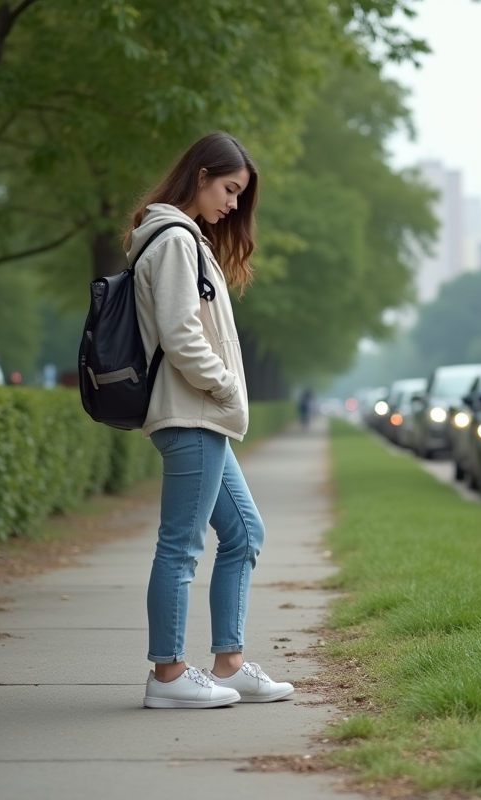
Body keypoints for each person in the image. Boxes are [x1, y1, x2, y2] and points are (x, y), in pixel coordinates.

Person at [126, 132, 294, 708]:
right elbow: (180, 334)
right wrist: (224, 385)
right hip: (191, 414)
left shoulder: (184, 238)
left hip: (203, 417)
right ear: (200, 174)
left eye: (239, 196)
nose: (232, 205)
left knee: (245, 534)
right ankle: (168, 677)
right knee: (181, 546)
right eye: (229, 189)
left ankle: (229, 663)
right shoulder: (173, 239)